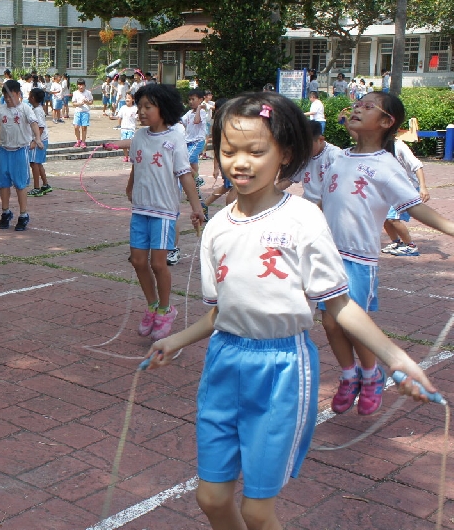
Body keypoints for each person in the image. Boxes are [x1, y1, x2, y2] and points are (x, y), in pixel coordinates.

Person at [144, 90, 439, 530]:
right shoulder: (217, 227)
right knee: (211, 497)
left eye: (255, 151)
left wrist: (397, 358)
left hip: (282, 367)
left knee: (259, 510)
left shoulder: (302, 218)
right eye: (228, 151)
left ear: (284, 154)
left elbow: (338, 305)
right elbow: (220, 312)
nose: (239, 162)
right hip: (224, 363)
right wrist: (176, 338)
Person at [317, 92, 454, 416]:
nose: (356, 109)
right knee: (329, 322)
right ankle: (350, 375)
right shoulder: (337, 157)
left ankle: (371, 374)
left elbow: (415, 207)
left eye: (367, 107)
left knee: (353, 323)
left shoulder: (386, 166)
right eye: (357, 105)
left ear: (386, 122)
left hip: (359, 259)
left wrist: (450, 228)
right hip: (328, 256)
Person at [108, 84, 204, 340]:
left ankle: (165, 309)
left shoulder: (174, 138)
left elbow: (185, 174)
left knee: (158, 263)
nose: (142, 111)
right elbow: (136, 164)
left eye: (148, 107)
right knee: (138, 261)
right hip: (140, 208)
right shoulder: (139, 136)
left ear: (164, 109)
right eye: (140, 107)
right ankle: (151, 306)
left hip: (163, 211)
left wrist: (196, 207)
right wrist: (130, 185)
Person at [0, 80, 42, 232]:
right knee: (3, 184)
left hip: (20, 151)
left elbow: (34, 124)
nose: (8, 99)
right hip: (4, 151)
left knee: (20, 184)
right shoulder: (1, 110)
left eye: (11, 96)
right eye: (6, 96)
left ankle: (23, 215)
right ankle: (5, 212)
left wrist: (37, 138)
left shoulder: (25, 109)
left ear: (18, 94)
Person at [381, 138, 430, 257]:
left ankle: (410, 246)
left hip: (406, 188)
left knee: (392, 218)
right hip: (391, 188)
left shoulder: (399, 146)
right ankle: (396, 242)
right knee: (384, 217)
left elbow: (417, 165)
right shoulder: (379, 144)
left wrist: (423, 187)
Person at [276, 119, 341, 206]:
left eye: (307, 146)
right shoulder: (304, 158)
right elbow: (288, 180)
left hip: (328, 206)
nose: (303, 150)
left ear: (320, 140)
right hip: (309, 205)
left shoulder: (335, 156)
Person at [182, 89, 211, 187]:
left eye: (193, 99)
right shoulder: (189, 113)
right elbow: (181, 121)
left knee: (184, 162)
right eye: (189, 99)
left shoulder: (202, 112)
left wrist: (198, 109)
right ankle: (195, 189)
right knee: (193, 166)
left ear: (200, 100)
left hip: (197, 142)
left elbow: (196, 121)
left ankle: (198, 180)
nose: (190, 102)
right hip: (188, 142)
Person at [26, 88, 51, 196]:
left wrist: (36, 141)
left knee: (34, 163)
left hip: (39, 140)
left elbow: (40, 127)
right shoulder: (37, 109)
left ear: (32, 98)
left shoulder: (37, 111)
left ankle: (37, 187)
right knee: (38, 163)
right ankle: (45, 185)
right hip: (42, 139)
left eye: (30, 95)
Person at [114, 92, 138, 162]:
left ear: (133, 100)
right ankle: (126, 156)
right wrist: (120, 125)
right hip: (124, 128)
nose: (127, 99)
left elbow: (137, 117)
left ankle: (131, 156)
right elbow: (119, 117)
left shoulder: (135, 108)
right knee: (123, 143)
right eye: (126, 98)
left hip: (131, 128)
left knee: (130, 144)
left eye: (129, 98)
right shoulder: (123, 108)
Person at [70, 79, 93, 148]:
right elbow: (73, 103)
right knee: (76, 127)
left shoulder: (88, 93)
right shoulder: (75, 93)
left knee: (84, 127)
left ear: (84, 85)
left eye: (82, 85)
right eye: (79, 85)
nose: (81, 86)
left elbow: (91, 102)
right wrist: (79, 104)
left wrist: (87, 102)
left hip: (85, 112)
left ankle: (83, 141)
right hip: (78, 112)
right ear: (77, 85)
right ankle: (78, 140)